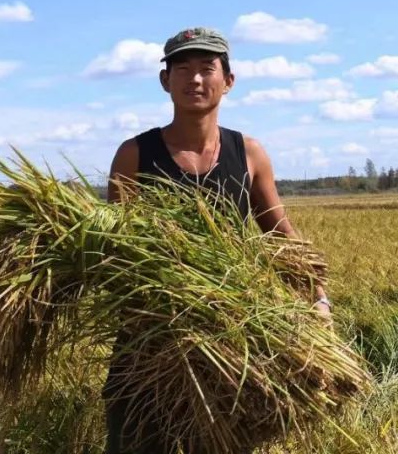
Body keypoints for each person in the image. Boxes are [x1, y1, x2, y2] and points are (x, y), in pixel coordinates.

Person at [103, 26, 331, 454]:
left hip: (230, 347)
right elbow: (116, 252)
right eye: (182, 69)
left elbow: (283, 237)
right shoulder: (135, 155)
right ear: (164, 81)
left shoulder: (248, 153)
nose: (195, 79)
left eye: (207, 69)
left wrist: (319, 300)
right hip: (148, 345)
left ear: (228, 81)